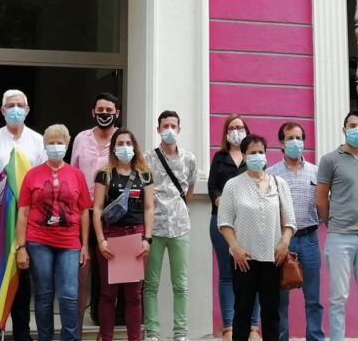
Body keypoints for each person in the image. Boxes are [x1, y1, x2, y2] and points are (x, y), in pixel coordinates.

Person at [0, 89, 47, 341]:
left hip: (28, 221)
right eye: (11, 105)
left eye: (20, 105)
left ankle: (21, 332)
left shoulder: (38, 141)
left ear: (28, 110)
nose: (15, 109)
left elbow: (42, 180)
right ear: (2, 110)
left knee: (23, 276)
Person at [16, 124, 93, 341]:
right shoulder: (32, 175)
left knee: (69, 296)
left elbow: (84, 211)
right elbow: (22, 213)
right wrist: (21, 247)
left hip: (69, 243)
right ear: (45, 146)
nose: (56, 146)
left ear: (67, 146)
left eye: (60, 143)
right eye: (51, 143)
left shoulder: (77, 175)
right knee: (43, 295)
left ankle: (70, 338)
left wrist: (85, 245)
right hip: (38, 241)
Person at [218, 134, 296, 341]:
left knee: (271, 313)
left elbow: (290, 222)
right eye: (252, 152)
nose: (257, 156)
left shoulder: (279, 184)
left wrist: (284, 243)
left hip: (273, 258)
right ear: (244, 155)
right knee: (242, 312)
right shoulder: (233, 185)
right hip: (244, 259)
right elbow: (224, 222)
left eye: (261, 152)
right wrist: (235, 248)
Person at [316, 111, 358, 341]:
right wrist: (332, 222)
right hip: (338, 237)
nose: (356, 130)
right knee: (338, 298)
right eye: (352, 125)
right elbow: (321, 198)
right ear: (344, 129)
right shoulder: (329, 160)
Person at [92, 129, 154, 341]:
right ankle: (106, 337)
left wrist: (147, 239)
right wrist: (100, 240)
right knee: (108, 295)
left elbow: (148, 208)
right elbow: (98, 209)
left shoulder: (145, 174)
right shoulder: (104, 174)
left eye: (128, 143)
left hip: (136, 237)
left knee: (134, 296)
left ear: (134, 147)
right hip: (111, 237)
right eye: (120, 143)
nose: (124, 147)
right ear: (114, 148)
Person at [143, 110, 197, 341]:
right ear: (158, 130)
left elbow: (190, 190)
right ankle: (153, 332)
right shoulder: (147, 159)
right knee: (151, 283)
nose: (169, 130)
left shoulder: (189, 159)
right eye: (165, 126)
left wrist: (178, 209)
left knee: (181, 283)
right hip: (154, 227)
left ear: (179, 128)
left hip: (180, 227)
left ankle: (180, 333)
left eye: (173, 126)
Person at [268, 122, 324, 341]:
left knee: (313, 299)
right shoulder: (271, 173)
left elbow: (322, 203)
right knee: (280, 299)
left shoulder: (316, 171)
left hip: (309, 240)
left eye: (299, 138)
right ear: (281, 142)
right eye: (290, 138)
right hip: (282, 242)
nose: (295, 142)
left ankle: (315, 338)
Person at [208, 114, 261, 341]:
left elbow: (261, 183)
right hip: (222, 222)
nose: (236, 131)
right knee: (227, 274)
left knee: (253, 272)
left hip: (250, 223)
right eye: (232, 127)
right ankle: (229, 326)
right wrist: (220, 200)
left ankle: (252, 327)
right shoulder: (219, 157)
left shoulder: (254, 157)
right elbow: (212, 187)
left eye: (240, 127)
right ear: (226, 132)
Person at [71, 93, 121, 325]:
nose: (104, 114)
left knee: (109, 277)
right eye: (100, 110)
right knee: (81, 272)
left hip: (113, 215)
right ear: (93, 112)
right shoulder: (81, 138)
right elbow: (72, 172)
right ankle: (77, 330)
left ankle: (105, 329)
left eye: (109, 111)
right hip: (83, 213)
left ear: (117, 114)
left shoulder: (123, 140)